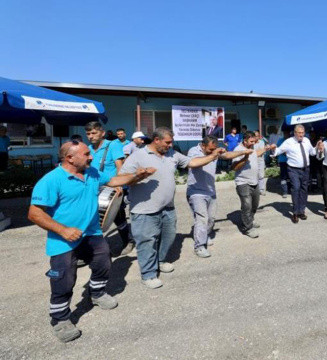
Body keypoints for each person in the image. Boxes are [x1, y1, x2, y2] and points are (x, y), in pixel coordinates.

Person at [27, 140, 155, 342]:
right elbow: (34, 214)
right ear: (69, 157)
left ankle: (97, 293)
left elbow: (113, 181)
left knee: (103, 263)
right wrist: (63, 230)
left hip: (93, 233)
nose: (91, 156)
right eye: (86, 154)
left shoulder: (92, 172)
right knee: (63, 279)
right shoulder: (51, 180)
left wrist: (137, 176)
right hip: (63, 240)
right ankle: (60, 320)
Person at [120, 127, 222, 289]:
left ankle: (160, 261)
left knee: (168, 237)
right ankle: (148, 274)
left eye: (171, 142)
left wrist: (212, 155)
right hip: (145, 209)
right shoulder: (138, 155)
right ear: (156, 140)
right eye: (167, 142)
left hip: (167, 207)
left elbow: (192, 162)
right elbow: (121, 178)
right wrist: (137, 176)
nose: (170, 145)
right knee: (147, 241)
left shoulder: (172, 154)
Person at [186, 136, 249, 257]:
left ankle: (205, 234)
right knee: (202, 218)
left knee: (211, 218)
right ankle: (199, 246)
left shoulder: (213, 151)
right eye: (209, 149)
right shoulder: (193, 151)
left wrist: (243, 152)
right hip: (196, 192)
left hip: (210, 191)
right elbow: (195, 163)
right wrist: (213, 154)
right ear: (203, 146)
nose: (212, 151)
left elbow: (227, 155)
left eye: (213, 149)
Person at [84, 121, 134, 255]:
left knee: (119, 218)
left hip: (113, 189)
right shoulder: (88, 149)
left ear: (102, 133)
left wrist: (118, 185)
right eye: (88, 133)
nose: (91, 136)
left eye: (94, 133)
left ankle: (128, 241)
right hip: (95, 189)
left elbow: (120, 166)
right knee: (94, 219)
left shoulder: (112, 145)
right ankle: (91, 250)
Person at [272, 124, 321, 223]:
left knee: (304, 189)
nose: (301, 135)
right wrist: (273, 148)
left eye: (302, 133)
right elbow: (277, 151)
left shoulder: (306, 140)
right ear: (294, 133)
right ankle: (295, 212)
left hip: (306, 169)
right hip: (293, 169)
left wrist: (317, 147)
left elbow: (312, 152)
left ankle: (301, 211)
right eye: (299, 133)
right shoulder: (288, 142)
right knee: (296, 188)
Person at [231, 132, 276, 238]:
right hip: (243, 182)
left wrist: (267, 148)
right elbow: (235, 167)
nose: (253, 144)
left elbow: (256, 153)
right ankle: (248, 228)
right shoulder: (238, 149)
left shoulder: (252, 148)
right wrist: (245, 156)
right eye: (251, 142)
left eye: (254, 141)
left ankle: (249, 220)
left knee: (254, 205)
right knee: (247, 205)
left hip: (254, 181)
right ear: (245, 140)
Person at [253, 130, 269, 195]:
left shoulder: (261, 142)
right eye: (255, 136)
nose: (256, 137)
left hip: (260, 161)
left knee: (261, 176)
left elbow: (261, 152)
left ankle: (261, 190)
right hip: (253, 161)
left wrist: (256, 152)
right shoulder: (251, 143)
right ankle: (255, 190)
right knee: (254, 175)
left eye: (257, 136)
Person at [276, 130, 291, 198]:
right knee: (283, 177)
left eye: (287, 133)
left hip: (290, 161)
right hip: (282, 161)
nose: (286, 134)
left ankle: (290, 190)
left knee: (290, 176)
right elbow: (277, 149)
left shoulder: (292, 141)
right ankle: (284, 191)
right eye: (285, 133)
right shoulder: (280, 140)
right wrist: (283, 152)